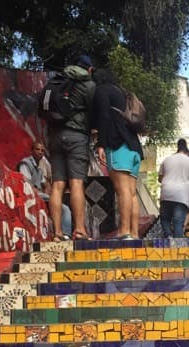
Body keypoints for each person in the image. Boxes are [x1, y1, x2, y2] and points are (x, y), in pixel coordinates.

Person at [46, 54, 96, 241]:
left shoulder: (57, 80)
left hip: (54, 136)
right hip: (76, 136)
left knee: (57, 185)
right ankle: (80, 230)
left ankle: (57, 233)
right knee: (76, 183)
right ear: (89, 69)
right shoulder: (88, 85)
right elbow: (93, 111)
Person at [92, 68, 144, 241]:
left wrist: (101, 144)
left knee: (122, 191)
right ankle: (134, 234)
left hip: (118, 144)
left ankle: (123, 231)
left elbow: (104, 118)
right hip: (134, 148)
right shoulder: (122, 92)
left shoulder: (101, 91)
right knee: (131, 192)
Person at [18, 140, 72, 239]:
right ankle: (65, 235)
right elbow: (26, 184)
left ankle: (64, 235)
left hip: (39, 194)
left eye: (42, 151)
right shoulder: (25, 163)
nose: (40, 152)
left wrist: (50, 193)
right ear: (32, 150)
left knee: (61, 206)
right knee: (64, 208)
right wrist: (47, 195)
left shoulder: (39, 168)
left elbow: (45, 184)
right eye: (37, 149)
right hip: (30, 194)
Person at [158, 138, 189, 238]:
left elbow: (160, 179)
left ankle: (168, 236)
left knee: (165, 219)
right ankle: (177, 246)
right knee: (178, 223)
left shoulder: (167, 159)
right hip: (181, 196)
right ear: (187, 151)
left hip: (166, 193)